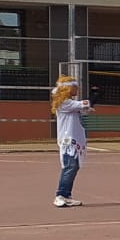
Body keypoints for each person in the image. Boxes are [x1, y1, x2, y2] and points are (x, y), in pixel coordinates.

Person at [52, 74, 92, 207]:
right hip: (68, 140)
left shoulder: (70, 103)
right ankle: (61, 195)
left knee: (73, 167)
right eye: (75, 87)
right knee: (70, 167)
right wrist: (95, 94)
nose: (77, 89)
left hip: (74, 140)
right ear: (68, 89)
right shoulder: (64, 103)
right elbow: (85, 103)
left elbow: (84, 108)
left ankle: (66, 195)